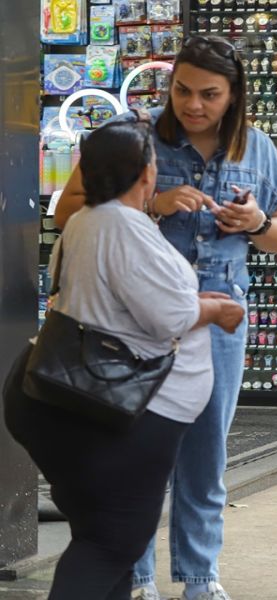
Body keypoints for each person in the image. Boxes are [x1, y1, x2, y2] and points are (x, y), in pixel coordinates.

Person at [53, 35, 277, 600]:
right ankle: (137, 578)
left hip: (218, 324)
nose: (192, 105)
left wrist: (257, 222)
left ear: (233, 95)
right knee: (136, 455)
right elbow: (66, 211)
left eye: (209, 94)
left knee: (206, 457)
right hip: (136, 324)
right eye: (182, 90)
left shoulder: (258, 149)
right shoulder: (133, 141)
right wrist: (150, 204)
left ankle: (200, 576)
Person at [5, 120, 244, 600]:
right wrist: (216, 309)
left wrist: (194, 300)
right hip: (120, 409)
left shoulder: (89, 221)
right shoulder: (121, 225)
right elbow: (169, 315)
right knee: (111, 541)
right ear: (144, 174)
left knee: (103, 536)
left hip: (67, 399)